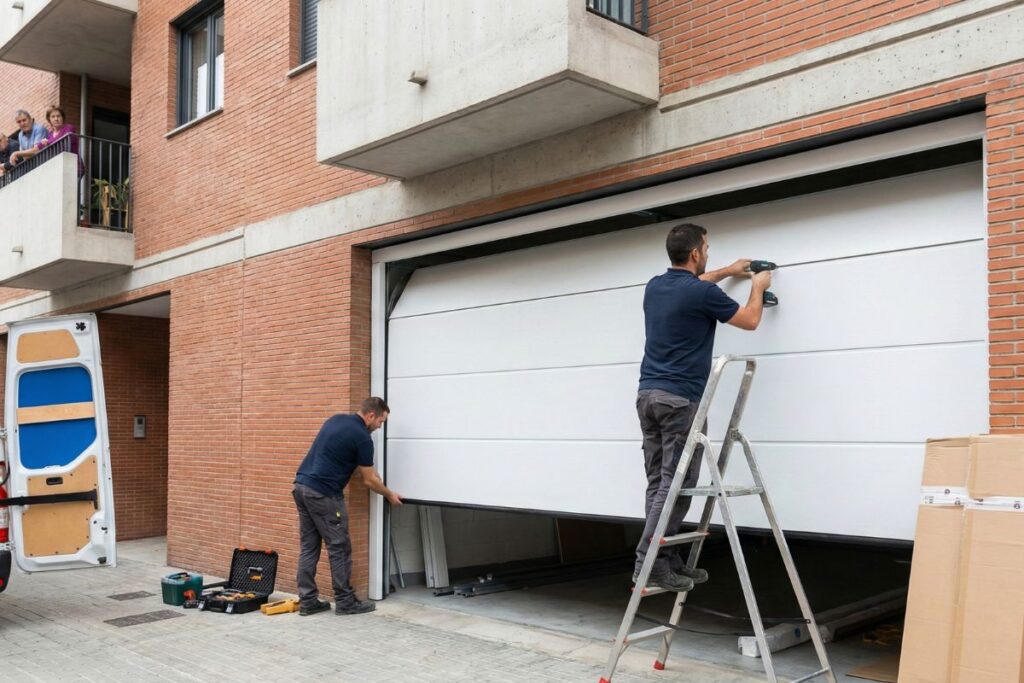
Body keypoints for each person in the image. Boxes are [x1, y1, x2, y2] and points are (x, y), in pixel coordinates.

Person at [633, 222, 771, 593]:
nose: (708, 253)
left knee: (659, 483)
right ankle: (649, 562)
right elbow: (750, 320)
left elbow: (698, 283)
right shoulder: (701, 293)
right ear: (695, 253)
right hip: (679, 401)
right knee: (676, 484)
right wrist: (758, 286)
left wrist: (729, 270)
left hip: (648, 396)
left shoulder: (655, 286)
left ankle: (664, 556)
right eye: (707, 248)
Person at [293, 396, 402, 616]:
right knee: (339, 548)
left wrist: (373, 475)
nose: (379, 427)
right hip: (324, 495)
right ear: (371, 415)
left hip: (301, 487)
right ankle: (345, 602)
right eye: (380, 421)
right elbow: (369, 480)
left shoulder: (336, 420)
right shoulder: (363, 437)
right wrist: (389, 494)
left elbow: (346, 458)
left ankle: (308, 601)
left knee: (309, 547)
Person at [9, 105, 77, 166]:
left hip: (72, 164)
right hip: (57, 165)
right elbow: (35, 150)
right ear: (49, 119)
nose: (56, 119)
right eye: (53, 117)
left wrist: (48, 144)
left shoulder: (69, 128)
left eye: (58, 116)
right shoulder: (50, 134)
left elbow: (63, 145)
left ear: (62, 117)